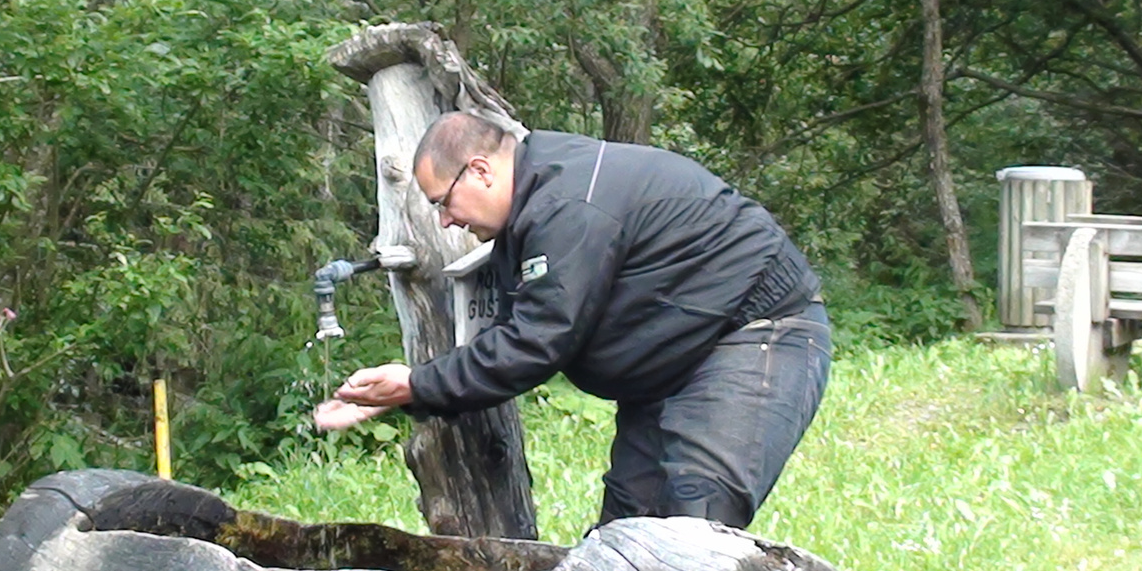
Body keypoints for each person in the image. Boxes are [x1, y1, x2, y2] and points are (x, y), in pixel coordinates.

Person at [313, 111, 831, 529]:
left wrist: (416, 385)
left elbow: (537, 341)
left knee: (694, 527)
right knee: (623, 540)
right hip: (673, 365)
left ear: (480, 170)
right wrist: (413, 388)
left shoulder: (568, 204)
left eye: (442, 203)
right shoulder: (534, 207)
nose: (446, 220)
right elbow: (520, 325)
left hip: (757, 335)